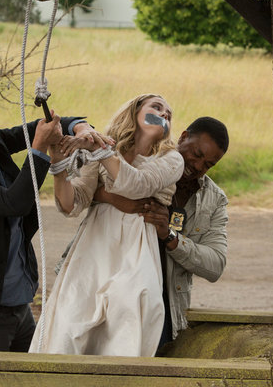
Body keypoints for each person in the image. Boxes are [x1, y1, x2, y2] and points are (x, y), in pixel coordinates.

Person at [0, 92, 108, 352]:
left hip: (18, 302)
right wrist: (39, 149)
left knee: (32, 373)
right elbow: (14, 203)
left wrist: (80, 127)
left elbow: (41, 125)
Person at [29, 93, 184, 357]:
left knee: (135, 305)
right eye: (156, 107)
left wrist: (97, 151)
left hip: (136, 246)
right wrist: (58, 161)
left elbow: (137, 185)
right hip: (96, 243)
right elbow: (72, 204)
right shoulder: (103, 150)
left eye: (169, 113)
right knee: (71, 319)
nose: (165, 114)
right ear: (135, 112)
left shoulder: (171, 159)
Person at [95, 116, 229, 350]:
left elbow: (215, 265)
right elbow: (78, 196)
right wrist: (109, 197)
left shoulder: (214, 199)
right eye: (196, 154)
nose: (198, 166)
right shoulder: (141, 164)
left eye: (208, 165)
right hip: (104, 290)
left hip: (162, 309)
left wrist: (170, 237)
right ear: (183, 137)